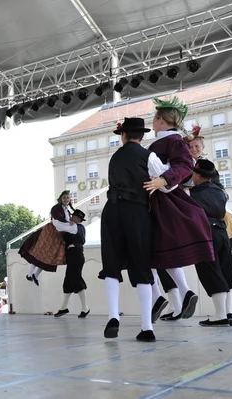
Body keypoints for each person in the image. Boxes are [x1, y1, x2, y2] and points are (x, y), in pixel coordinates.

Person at [143, 97, 214, 323]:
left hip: (163, 201)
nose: (152, 124)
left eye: (154, 120)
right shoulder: (166, 141)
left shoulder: (172, 141)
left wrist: (163, 180)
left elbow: (185, 165)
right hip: (158, 199)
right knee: (159, 252)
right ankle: (182, 292)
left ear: (161, 121)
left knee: (149, 251)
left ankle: (159, 298)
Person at [99, 117, 170, 342]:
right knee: (141, 265)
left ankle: (113, 317)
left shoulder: (115, 157)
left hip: (111, 210)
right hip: (136, 211)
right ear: (142, 136)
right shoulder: (147, 155)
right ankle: (147, 327)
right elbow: (166, 183)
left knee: (111, 264)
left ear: (124, 135)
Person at [190, 160, 232, 326]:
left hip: (206, 234)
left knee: (210, 272)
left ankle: (220, 315)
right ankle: (227, 313)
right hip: (222, 233)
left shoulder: (193, 193)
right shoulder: (220, 191)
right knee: (224, 272)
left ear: (198, 175)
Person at [20, 190, 73, 286]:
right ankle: (29, 274)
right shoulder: (56, 208)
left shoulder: (68, 211)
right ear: (61, 199)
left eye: (67, 197)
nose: (66, 199)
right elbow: (58, 218)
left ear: (70, 199)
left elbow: (66, 222)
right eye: (64, 197)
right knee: (40, 253)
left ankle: (35, 275)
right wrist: (68, 222)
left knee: (48, 258)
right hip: (50, 233)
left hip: (58, 236)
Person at [53, 209, 90, 318]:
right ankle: (63, 307)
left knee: (76, 278)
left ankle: (85, 308)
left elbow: (59, 226)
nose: (71, 217)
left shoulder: (76, 227)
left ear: (78, 219)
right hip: (72, 255)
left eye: (73, 216)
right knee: (68, 281)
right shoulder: (73, 226)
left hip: (76, 254)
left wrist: (55, 219)